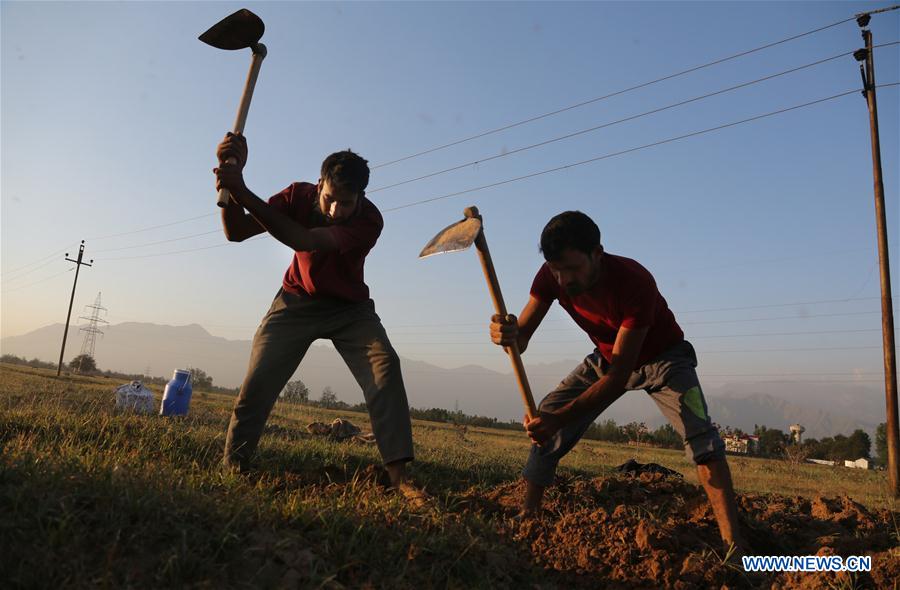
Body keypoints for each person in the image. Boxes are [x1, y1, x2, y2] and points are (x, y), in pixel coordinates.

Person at [490, 210, 748, 552]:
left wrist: (559, 420)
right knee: (545, 414)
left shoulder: (634, 281)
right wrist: (506, 333)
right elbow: (520, 339)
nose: (563, 279)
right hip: (609, 355)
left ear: (597, 253)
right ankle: (529, 511)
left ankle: (734, 545)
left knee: (703, 439)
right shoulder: (550, 275)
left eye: (572, 268)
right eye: (556, 269)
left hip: (664, 360)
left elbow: (617, 378)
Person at [213, 132, 419, 497]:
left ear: (362, 198)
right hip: (296, 301)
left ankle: (399, 476)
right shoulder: (297, 195)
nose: (337, 210)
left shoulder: (369, 221)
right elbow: (235, 233)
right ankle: (236, 467)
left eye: (347, 203)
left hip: (350, 309)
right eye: (330, 199)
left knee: (384, 366)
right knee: (258, 379)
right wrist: (229, 187)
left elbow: (305, 241)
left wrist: (242, 190)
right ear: (319, 183)